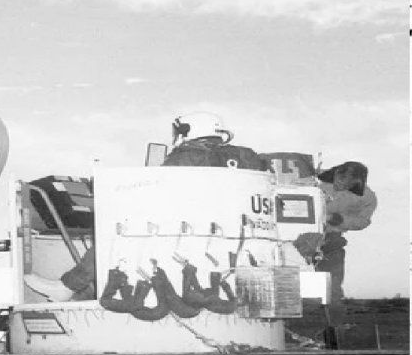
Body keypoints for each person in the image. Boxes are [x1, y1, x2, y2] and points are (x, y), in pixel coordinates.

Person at [23, 113, 263, 302]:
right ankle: (87, 289)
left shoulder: (187, 156)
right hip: (239, 238)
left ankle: (69, 286)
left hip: (186, 233)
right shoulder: (248, 157)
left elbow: (154, 195)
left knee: (116, 233)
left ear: (190, 130)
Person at [315, 162, 377, 331]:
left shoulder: (367, 197)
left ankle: (336, 329)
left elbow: (363, 221)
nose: (340, 184)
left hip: (331, 242)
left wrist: (340, 220)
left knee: (333, 288)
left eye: (347, 183)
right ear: (335, 173)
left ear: (357, 183)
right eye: (339, 179)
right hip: (299, 238)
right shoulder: (315, 181)